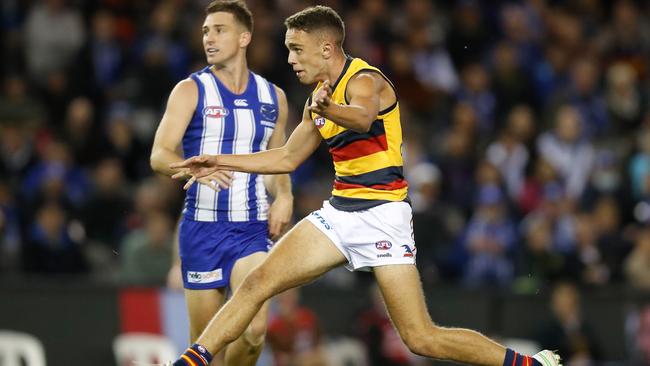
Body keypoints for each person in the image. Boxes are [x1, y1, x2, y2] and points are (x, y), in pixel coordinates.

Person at [168, 6, 561, 366]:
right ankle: (190, 361)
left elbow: (362, 117)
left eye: (296, 49)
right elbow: (286, 158)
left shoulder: (366, 80)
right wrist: (217, 161)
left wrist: (329, 109)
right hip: (339, 214)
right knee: (257, 283)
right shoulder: (316, 100)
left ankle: (530, 364)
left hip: (384, 216)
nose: (290, 59)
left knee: (421, 338)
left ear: (325, 48)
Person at [149, 1, 293, 365]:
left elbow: (279, 162)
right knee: (205, 347)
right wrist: (187, 168)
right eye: (205, 31)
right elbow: (159, 154)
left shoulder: (273, 97)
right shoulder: (190, 90)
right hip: (202, 231)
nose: (209, 38)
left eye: (219, 30)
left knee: (255, 331)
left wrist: (284, 197)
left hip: (251, 230)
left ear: (244, 37)